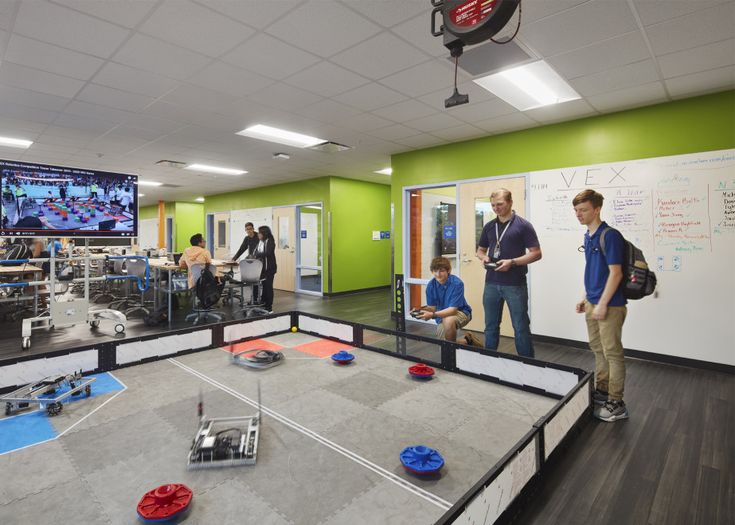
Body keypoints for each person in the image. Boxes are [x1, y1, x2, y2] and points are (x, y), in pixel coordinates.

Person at [573, 189, 628, 422]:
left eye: (583, 209)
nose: (579, 214)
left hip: (610, 305)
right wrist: (585, 298)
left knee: (613, 352)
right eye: (576, 210)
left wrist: (603, 304)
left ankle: (617, 402)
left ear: (597, 209)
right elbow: (595, 272)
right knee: (597, 349)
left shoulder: (610, 235)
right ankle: (603, 391)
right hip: (592, 302)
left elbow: (616, 274)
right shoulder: (588, 236)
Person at [476, 188, 542, 358]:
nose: (496, 208)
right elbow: (480, 251)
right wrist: (483, 258)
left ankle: (528, 364)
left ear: (510, 202)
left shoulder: (523, 225)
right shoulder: (489, 226)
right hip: (491, 283)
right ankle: (489, 361)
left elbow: (536, 253)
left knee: (520, 326)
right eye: (493, 205)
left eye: (500, 204)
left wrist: (512, 262)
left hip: (515, 284)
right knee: (490, 325)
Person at [411, 256, 473, 343]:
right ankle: (467, 341)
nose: (438, 274)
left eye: (441, 271)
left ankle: (451, 355)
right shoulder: (431, 286)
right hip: (441, 315)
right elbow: (432, 308)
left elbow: (453, 310)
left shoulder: (457, 284)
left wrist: (432, 315)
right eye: (435, 271)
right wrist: (420, 310)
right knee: (443, 342)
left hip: (461, 312)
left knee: (448, 321)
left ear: (448, 271)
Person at [254, 225, 276, 312]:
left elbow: (268, 252)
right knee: (264, 285)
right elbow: (256, 251)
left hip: (269, 268)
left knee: (268, 287)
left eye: (259, 233)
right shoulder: (261, 241)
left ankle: (269, 306)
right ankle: (263, 302)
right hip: (262, 269)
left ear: (264, 233)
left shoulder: (270, 241)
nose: (258, 234)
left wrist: (257, 255)